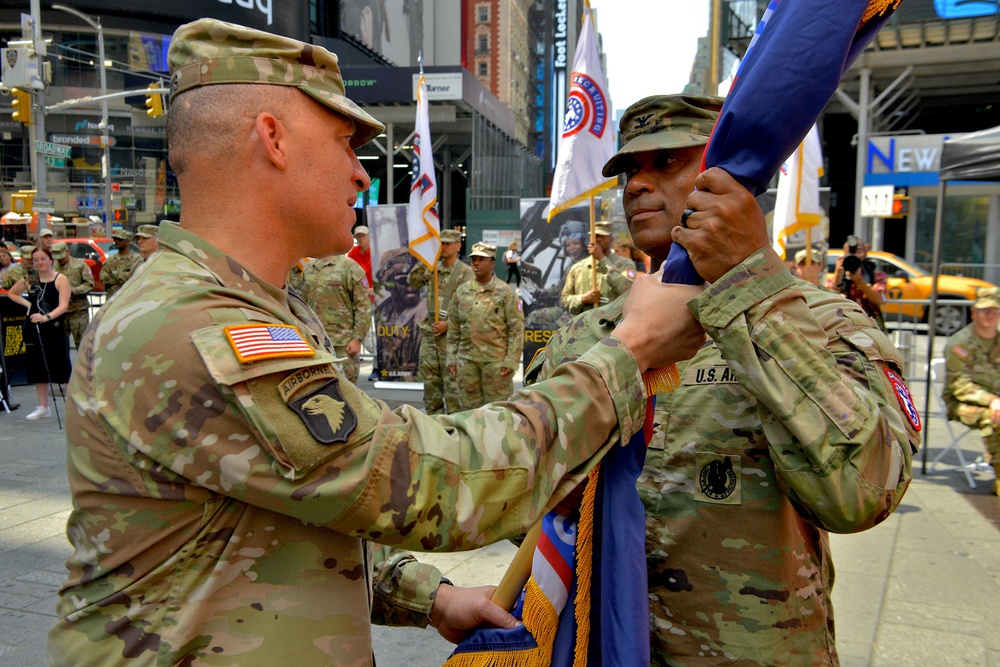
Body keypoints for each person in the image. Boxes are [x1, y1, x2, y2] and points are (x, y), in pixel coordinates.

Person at [45, 21, 706, 667]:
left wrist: (428, 594)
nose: (362, 174)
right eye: (344, 141)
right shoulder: (198, 326)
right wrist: (630, 350)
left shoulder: (258, 305)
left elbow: (297, 511)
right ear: (272, 138)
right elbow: (426, 483)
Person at [527, 94, 920, 666]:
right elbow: (529, 500)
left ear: (728, 179)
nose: (637, 184)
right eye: (630, 170)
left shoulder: (818, 320)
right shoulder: (589, 335)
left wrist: (750, 294)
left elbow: (863, 493)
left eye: (666, 163)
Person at [447, 242, 524, 409]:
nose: (476, 263)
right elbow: (453, 326)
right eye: (474, 259)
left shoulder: (504, 292)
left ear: (493, 263)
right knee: (469, 411)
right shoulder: (462, 291)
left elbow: (516, 329)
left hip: (495, 364)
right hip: (467, 362)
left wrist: (511, 361)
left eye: (481, 259)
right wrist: (451, 357)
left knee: (497, 412)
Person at [408, 228, 473, 413]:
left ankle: (454, 428)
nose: (443, 246)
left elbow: (470, 308)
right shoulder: (432, 268)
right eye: (440, 243)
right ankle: (434, 425)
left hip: (452, 338)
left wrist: (449, 324)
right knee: (430, 385)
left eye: (447, 243)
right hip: (430, 334)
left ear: (458, 246)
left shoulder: (465, 273)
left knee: (453, 387)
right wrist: (425, 260)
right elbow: (413, 281)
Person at [943, 286, 1000, 495]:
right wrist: (992, 400)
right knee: (992, 417)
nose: (989, 315)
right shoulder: (960, 343)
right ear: (973, 312)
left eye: (994, 310)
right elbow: (959, 384)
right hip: (962, 403)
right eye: (983, 310)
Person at [6, 246, 72, 421]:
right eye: (36, 260)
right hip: (34, 327)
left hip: (53, 326)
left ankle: (74, 405)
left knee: (62, 364)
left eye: (43, 259)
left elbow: (63, 305)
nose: (40, 262)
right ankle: (43, 406)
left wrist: (47, 317)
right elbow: (13, 293)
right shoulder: (32, 278)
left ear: (50, 259)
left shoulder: (60, 279)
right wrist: (28, 305)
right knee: (37, 365)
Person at [297, 253, 372, 383]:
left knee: (346, 390)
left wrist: (357, 338)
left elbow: (363, 307)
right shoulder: (309, 268)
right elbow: (302, 303)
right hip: (315, 341)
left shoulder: (350, 267)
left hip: (343, 343)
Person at [561, 220, 636, 315]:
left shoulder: (625, 264)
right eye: (595, 236)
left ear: (611, 239)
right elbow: (565, 299)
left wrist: (602, 259)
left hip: (613, 324)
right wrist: (583, 299)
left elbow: (628, 291)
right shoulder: (577, 268)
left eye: (602, 236)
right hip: (585, 325)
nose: (598, 239)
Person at [374, 248, 426, 379]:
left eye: (415, 280)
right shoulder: (382, 311)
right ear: (389, 285)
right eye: (404, 281)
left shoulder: (424, 313)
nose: (411, 287)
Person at [831, 235, 887, 331]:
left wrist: (859, 280)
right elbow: (830, 297)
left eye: (859, 251)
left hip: (871, 326)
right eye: (851, 252)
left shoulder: (875, 275)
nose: (855, 255)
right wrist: (838, 274)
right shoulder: (840, 275)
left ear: (865, 251)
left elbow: (879, 300)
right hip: (845, 326)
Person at [51, 241, 95, 349]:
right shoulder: (52, 267)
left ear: (67, 252)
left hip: (78, 310)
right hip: (60, 312)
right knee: (60, 344)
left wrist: (73, 291)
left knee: (81, 343)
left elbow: (89, 284)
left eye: (61, 256)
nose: (60, 259)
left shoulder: (80, 265)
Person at [99, 229, 142, 298]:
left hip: (129, 298)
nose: (116, 241)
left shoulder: (136, 259)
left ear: (127, 241)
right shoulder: (111, 259)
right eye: (115, 239)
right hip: (112, 298)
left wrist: (114, 273)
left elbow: (134, 277)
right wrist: (123, 277)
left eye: (120, 240)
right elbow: (103, 277)